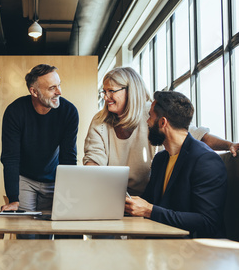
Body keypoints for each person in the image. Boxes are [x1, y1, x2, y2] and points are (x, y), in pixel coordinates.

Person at [84, 67, 238, 196]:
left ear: (130, 91)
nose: (106, 97)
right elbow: (93, 161)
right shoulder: (100, 121)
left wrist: (229, 145)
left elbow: (193, 136)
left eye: (111, 91)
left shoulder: (152, 113)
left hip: (149, 195)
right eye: (104, 92)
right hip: (111, 193)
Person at [125, 91, 227, 238]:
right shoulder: (161, 159)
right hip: (163, 245)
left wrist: (149, 210)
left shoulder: (206, 161)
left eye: (150, 116)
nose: (147, 122)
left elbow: (208, 222)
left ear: (162, 122)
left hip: (198, 252)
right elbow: (148, 202)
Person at [1, 64, 79, 212]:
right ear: (34, 92)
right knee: (26, 232)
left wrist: (69, 193)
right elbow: (10, 157)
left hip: (55, 178)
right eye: (52, 88)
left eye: (59, 85)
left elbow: (68, 156)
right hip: (25, 178)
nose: (59, 92)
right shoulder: (15, 111)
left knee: (50, 229)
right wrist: (13, 199)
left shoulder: (69, 112)